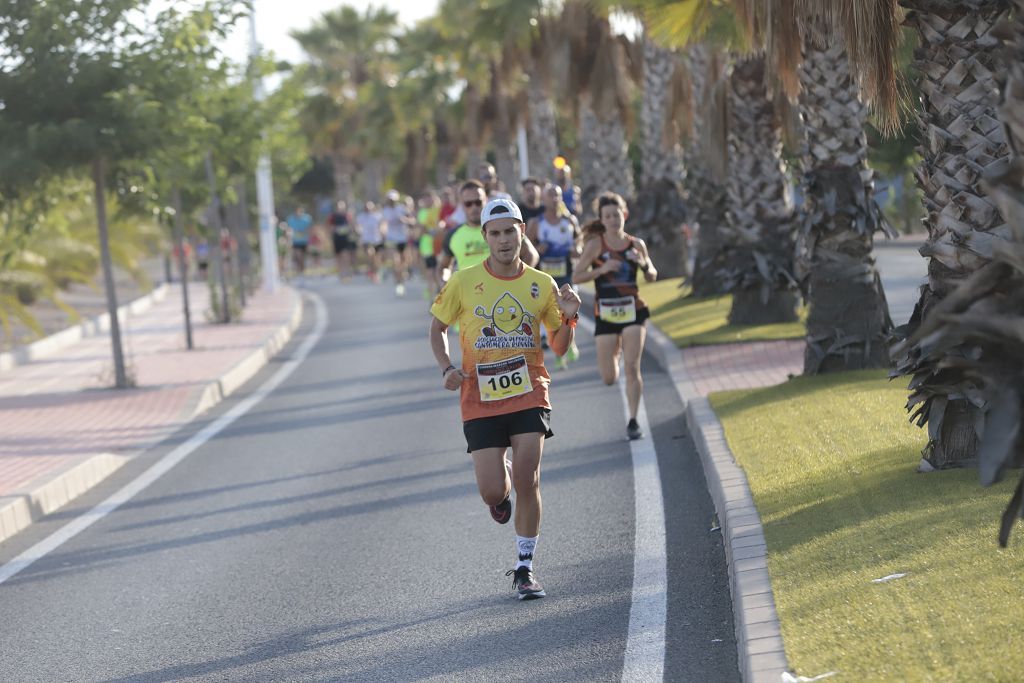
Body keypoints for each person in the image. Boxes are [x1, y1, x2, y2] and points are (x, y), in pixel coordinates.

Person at [428, 197, 582, 600]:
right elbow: (437, 327)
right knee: (493, 491)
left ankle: (525, 568)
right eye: (495, 233)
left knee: (530, 477)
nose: (503, 240)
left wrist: (569, 316)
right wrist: (447, 367)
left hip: (529, 390)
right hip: (479, 398)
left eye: (509, 231)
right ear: (484, 237)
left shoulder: (541, 284)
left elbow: (561, 347)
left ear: (521, 233)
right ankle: (503, 480)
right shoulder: (462, 281)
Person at [572, 192, 658, 441]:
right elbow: (577, 276)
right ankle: (615, 353)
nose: (612, 219)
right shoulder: (596, 245)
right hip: (606, 312)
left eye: (616, 214)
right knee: (609, 378)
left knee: (633, 367)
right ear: (601, 219)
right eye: (607, 216)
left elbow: (652, 275)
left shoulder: (636, 244)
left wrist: (644, 264)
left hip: (633, 309)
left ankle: (633, 420)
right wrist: (602, 269)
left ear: (625, 215)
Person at [437, 180, 540, 285]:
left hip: (500, 290)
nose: (474, 207)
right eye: (468, 204)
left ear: (486, 200)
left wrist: (516, 281)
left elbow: (532, 255)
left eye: (478, 202)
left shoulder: (501, 227)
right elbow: (443, 267)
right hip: (469, 295)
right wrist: (444, 281)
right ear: (461, 205)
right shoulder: (453, 235)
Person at [527, 183, 582, 367]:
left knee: (568, 311)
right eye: (550, 195)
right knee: (551, 314)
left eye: (557, 195)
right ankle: (560, 352)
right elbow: (525, 249)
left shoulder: (570, 221)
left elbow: (579, 242)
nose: (554, 199)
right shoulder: (537, 223)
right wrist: (537, 249)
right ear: (543, 199)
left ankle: (569, 342)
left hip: (566, 273)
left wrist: (577, 250)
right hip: (545, 276)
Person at [382, 189, 415, 296]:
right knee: (395, 262)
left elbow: (413, 221)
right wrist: (383, 232)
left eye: (393, 199)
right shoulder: (385, 210)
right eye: (390, 199)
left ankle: (402, 277)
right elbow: (383, 223)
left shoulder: (402, 208)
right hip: (391, 239)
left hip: (403, 239)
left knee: (403, 262)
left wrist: (404, 219)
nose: (392, 201)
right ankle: (398, 284)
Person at [357, 201, 385, 283]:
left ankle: (376, 273)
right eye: (366, 207)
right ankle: (372, 272)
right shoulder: (361, 216)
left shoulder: (378, 216)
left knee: (376, 259)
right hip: (366, 240)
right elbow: (357, 226)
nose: (368, 209)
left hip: (377, 240)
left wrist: (383, 232)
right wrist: (358, 231)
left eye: (369, 208)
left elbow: (383, 225)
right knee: (370, 255)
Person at [329, 201, 356, 280]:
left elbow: (351, 225)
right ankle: (341, 273)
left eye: (342, 207)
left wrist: (350, 230)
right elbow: (330, 227)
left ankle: (347, 272)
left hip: (345, 239)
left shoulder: (347, 216)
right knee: (338, 256)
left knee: (346, 255)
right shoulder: (333, 216)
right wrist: (335, 230)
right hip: (337, 239)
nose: (340, 209)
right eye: (339, 207)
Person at [286, 206, 313, 275]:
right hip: (295, 241)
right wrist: (289, 239)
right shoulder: (291, 219)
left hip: (304, 241)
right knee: (298, 256)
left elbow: (309, 230)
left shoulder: (307, 219)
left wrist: (309, 241)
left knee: (303, 258)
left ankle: (302, 270)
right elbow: (289, 230)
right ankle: (298, 271)